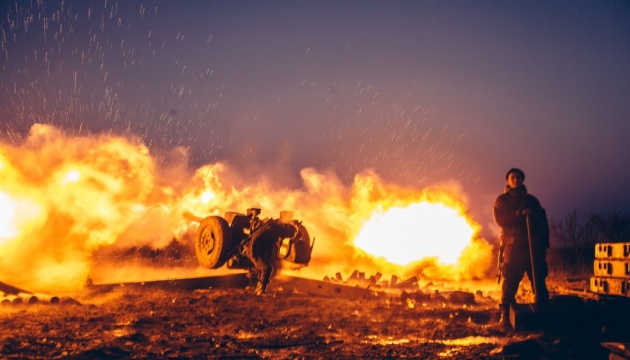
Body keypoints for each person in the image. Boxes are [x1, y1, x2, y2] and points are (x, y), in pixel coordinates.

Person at [494, 168, 550, 326]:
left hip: (534, 245)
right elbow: (501, 220)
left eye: (519, 177)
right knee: (510, 281)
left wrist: (545, 242)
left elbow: (542, 221)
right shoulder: (502, 201)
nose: (516, 180)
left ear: (522, 180)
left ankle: (542, 312)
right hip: (514, 246)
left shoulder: (532, 200)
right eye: (513, 177)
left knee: (538, 280)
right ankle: (506, 314)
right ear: (508, 180)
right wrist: (519, 214)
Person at [247, 220, 298, 295]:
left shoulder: (276, 231)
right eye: (287, 235)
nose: (286, 237)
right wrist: (253, 252)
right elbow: (255, 237)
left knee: (261, 270)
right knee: (267, 268)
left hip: (259, 252)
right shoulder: (271, 228)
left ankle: (258, 290)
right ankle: (260, 291)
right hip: (254, 251)